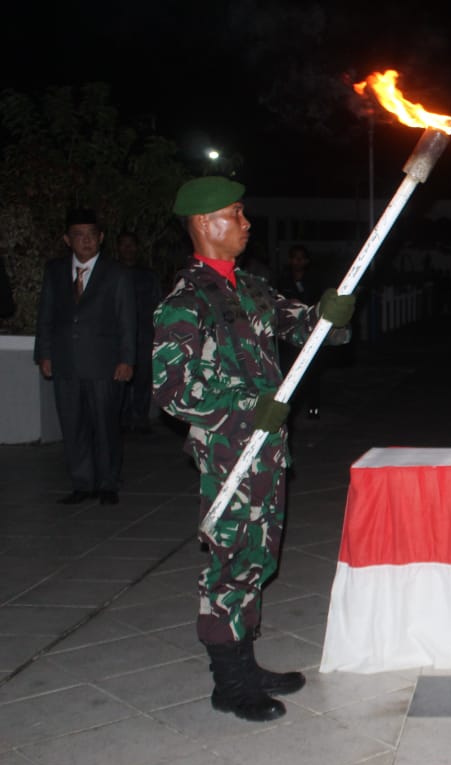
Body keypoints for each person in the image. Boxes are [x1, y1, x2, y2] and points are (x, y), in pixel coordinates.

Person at [152, 177, 355, 722]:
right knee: (229, 563)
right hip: (228, 455)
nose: (246, 223)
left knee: (257, 559)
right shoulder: (185, 301)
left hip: (266, 452)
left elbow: (301, 327)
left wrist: (330, 314)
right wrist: (246, 407)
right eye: (234, 213)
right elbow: (171, 391)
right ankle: (229, 682)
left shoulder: (250, 287)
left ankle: (246, 660)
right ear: (202, 224)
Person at [34, 209, 135, 505]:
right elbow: (46, 315)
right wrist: (44, 354)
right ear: (68, 240)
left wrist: (127, 359)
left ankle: (107, 483)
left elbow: (127, 319)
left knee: (105, 424)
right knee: (72, 423)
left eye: (91, 235)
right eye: (79, 236)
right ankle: (82, 482)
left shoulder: (116, 273)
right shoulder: (54, 270)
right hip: (66, 361)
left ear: (101, 238)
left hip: (104, 361)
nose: (86, 241)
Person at [117, 231, 163, 433]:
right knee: (121, 377)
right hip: (119, 337)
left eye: (131, 245)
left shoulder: (148, 276)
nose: (128, 249)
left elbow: (158, 304)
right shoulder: (112, 273)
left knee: (143, 377)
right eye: (123, 245)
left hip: (144, 334)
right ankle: (122, 418)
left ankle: (140, 418)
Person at [276, 244, 324, 419]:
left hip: (310, 334)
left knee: (311, 373)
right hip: (288, 337)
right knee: (288, 372)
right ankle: (289, 409)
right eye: (295, 257)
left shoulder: (313, 281)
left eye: (301, 258)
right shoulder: (282, 281)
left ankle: (313, 408)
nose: (298, 261)